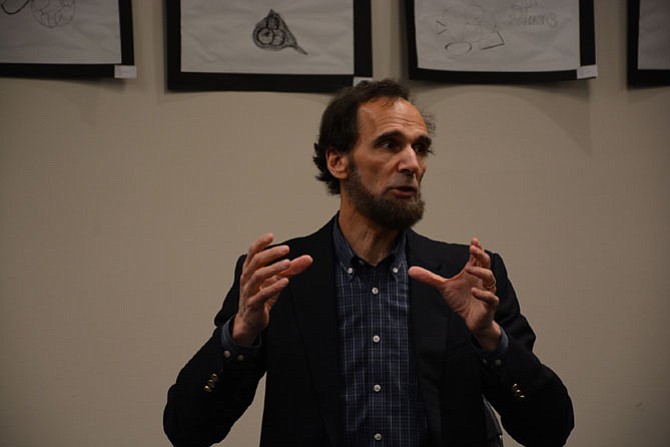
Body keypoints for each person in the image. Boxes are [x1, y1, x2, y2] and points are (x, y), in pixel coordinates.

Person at [163, 79, 574, 447]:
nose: (412, 164)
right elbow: (188, 429)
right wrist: (240, 337)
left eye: (420, 148)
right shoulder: (279, 277)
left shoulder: (467, 274)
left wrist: (489, 338)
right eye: (390, 144)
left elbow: (550, 429)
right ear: (337, 161)